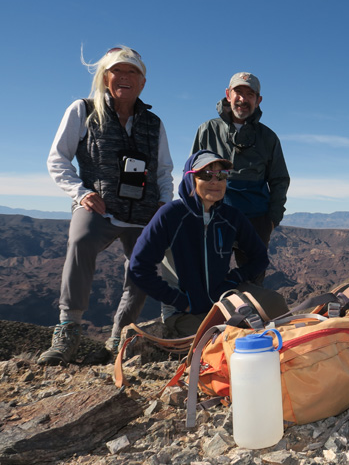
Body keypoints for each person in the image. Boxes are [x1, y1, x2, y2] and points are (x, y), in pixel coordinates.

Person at [41, 46, 173, 365]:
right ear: (105, 77)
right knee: (80, 240)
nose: (124, 77)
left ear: (143, 82)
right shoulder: (83, 110)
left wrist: (164, 207)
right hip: (99, 207)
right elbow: (58, 158)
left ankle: (119, 337)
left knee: (143, 267)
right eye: (117, 71)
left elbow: (164, 171)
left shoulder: (153, 123)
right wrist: (80, 193)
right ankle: (68, 329)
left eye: (132, 73)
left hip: (142, 211)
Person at [128, 150, 288, 337]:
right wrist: (180, 301)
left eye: (221, 175)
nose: (215, 181)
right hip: (185, 310)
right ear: (191, 179)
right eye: (206, 175)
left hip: (224, 299)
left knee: (277, 306)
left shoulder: (231, 216)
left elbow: (259, 257)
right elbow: (139, 267)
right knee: (218, 341)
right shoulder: (171, 215)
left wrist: (233, 279)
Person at [192, 72, 290, 281]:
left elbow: (279, 180)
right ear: (228, 94)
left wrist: (272, 220)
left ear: (258, 100)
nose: (243, 99)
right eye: (238, 92)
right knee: (208, 278)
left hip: (256, 221)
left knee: (253, 281)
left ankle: (250, 314)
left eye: (250, 94)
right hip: (214, 217)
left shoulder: (268, 137)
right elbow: (191, 173)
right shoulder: (207, 130)